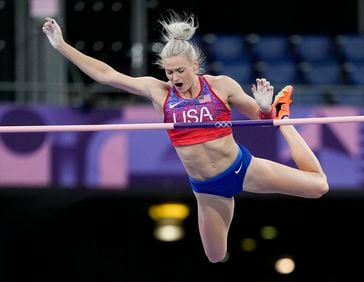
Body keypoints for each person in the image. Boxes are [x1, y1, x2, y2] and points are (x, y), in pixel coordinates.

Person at [42, 10, 328, 263]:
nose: (174, 78)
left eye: (180, 70)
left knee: (319, 187)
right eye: (169, 72)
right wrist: (62, 45)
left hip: (242, 167)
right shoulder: (160, 92)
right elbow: (107, 75)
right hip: (207, 188)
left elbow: (263, 120)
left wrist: (268, 109)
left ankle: (288, 120)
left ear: (195, 67)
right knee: (215, 257)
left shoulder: (220, 86)